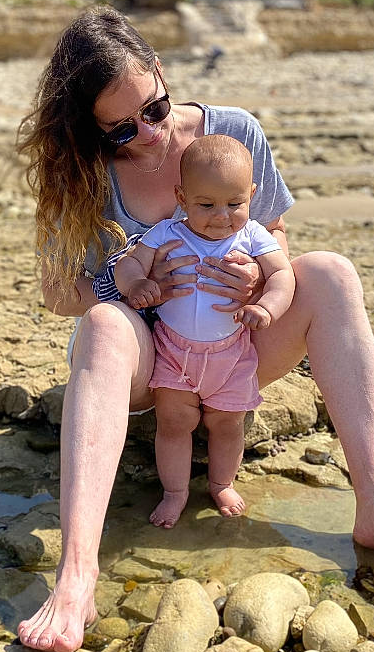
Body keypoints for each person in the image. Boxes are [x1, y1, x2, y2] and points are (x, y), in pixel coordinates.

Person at [15, 6, 374, 652]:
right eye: (122, 129)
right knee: (104, 325)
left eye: (155, 109)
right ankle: (78, 574)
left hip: (231, 347)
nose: (149, 135)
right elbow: (59, 294)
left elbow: (273, 233)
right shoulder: (78, 173)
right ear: (90, 128)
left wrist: (256, 280)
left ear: (161, 72)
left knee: (331, 273)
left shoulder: (233, 132)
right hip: (144, 366)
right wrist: (131, 285)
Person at [113, 134, 296, 525]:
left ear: (251, 194)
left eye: (234, 204)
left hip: (232, 355)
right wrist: (136, 284)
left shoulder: (252, 236)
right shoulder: (168, 233)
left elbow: (283, 274)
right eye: (206, 205)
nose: (221, 216)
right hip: (174, 353)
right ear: (182, 198)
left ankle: (221, 483)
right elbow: (128, 263)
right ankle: (174, 493)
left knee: (227, 425)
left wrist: (267, 306)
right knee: (174, 424)